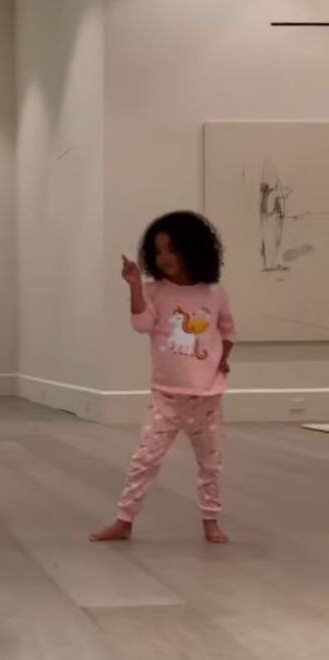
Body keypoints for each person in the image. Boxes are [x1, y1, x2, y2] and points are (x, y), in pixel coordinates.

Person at [90, 211, 236, 546]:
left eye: (172, 249)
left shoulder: (214, 293)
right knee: (145, 459)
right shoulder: (154, 291)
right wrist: (135, 287)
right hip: (166, 397)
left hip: (206, 397)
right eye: (158, 252)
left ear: (194, 249)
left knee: (210, 463)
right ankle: (124, 521)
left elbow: (228, 330)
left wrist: (223, 360)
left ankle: (211, 520)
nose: (164, 258)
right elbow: (141, 324)